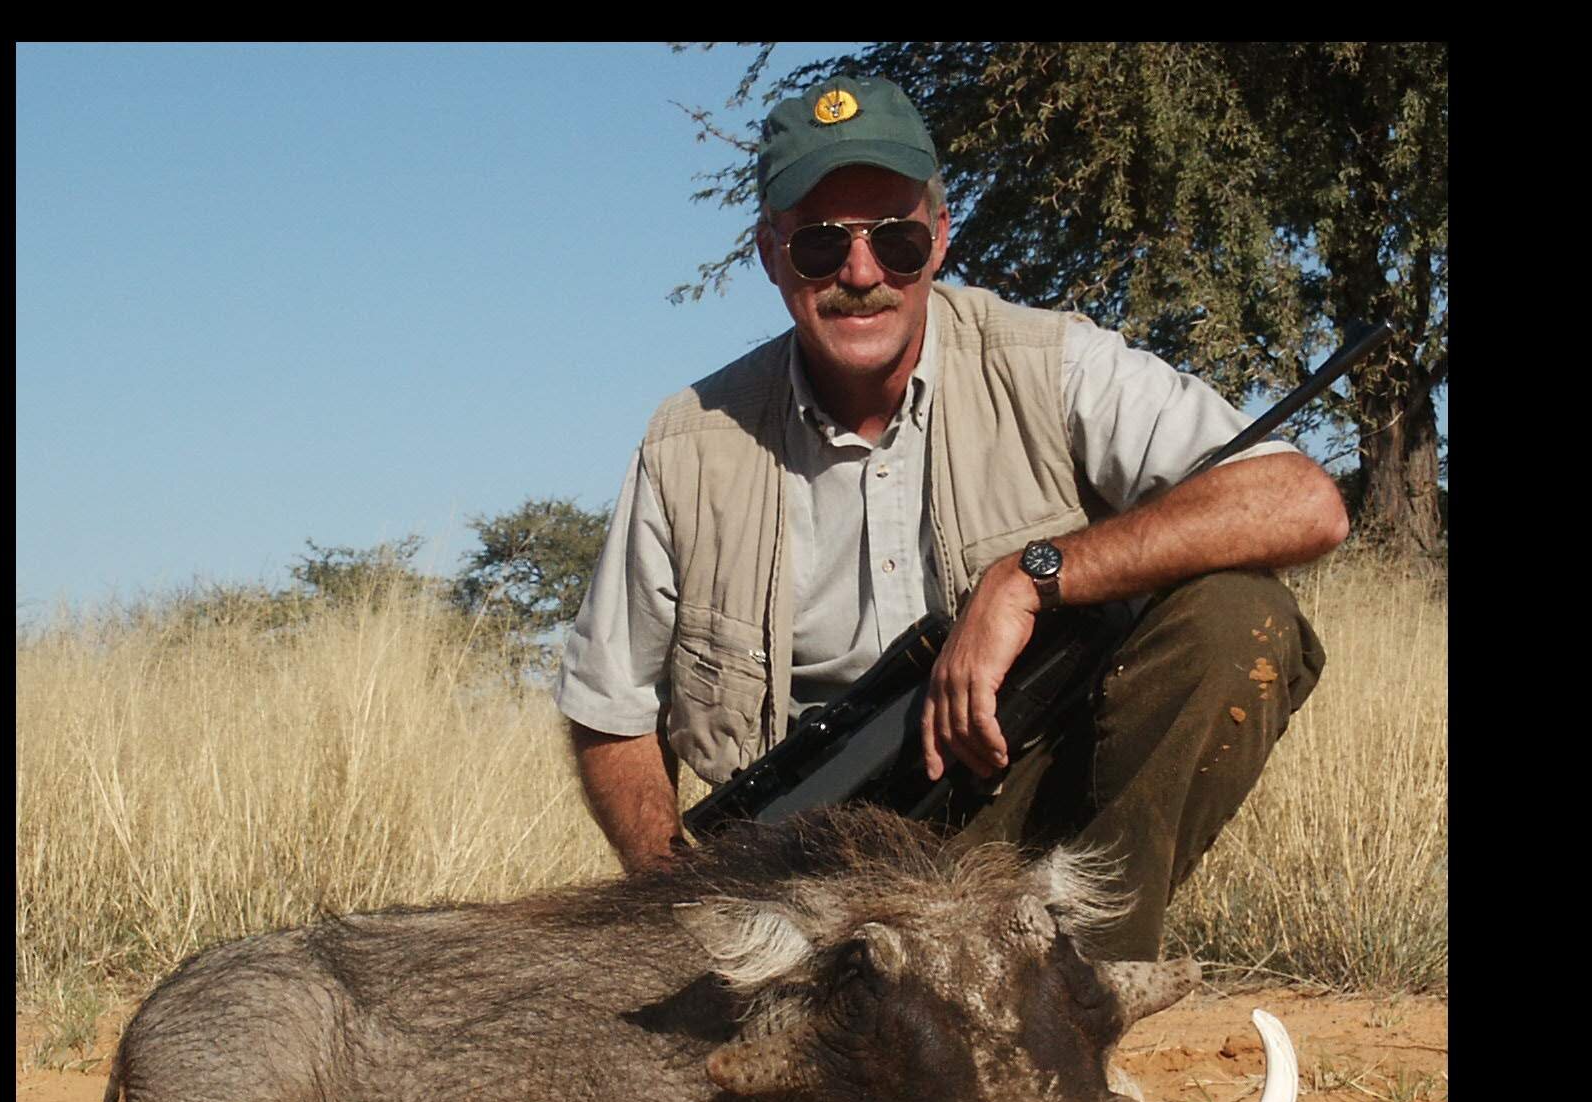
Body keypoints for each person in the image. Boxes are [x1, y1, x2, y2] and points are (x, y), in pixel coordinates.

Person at [557, 73, 1349, 960]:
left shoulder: (1052, 362)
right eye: (821, 248)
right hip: (796, 882)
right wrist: (680, 915)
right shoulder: (684, 444)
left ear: (940, 237)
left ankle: (1081, 985)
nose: (862, 275)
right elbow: (610, 708)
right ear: (769, 251)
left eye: (894, 239)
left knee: (1242, 618)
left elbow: (1300, 501)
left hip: (1013, 813)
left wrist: (1032, 577)